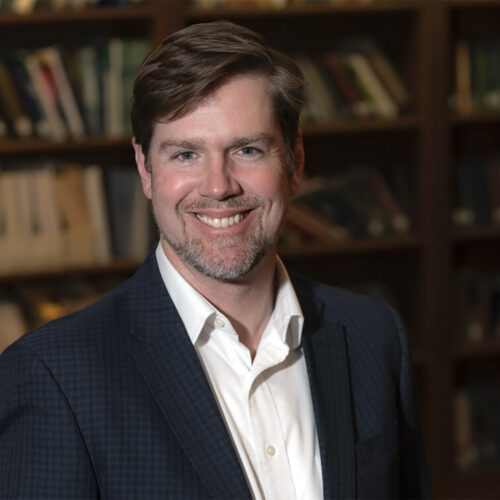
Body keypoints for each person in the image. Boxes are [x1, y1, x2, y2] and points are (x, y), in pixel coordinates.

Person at [0, 21, 431, 500]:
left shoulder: (374, 337)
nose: (218, 185)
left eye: (247, 150)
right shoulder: (54, 375)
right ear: (145, 170)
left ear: (295, 162)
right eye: (185, 155)